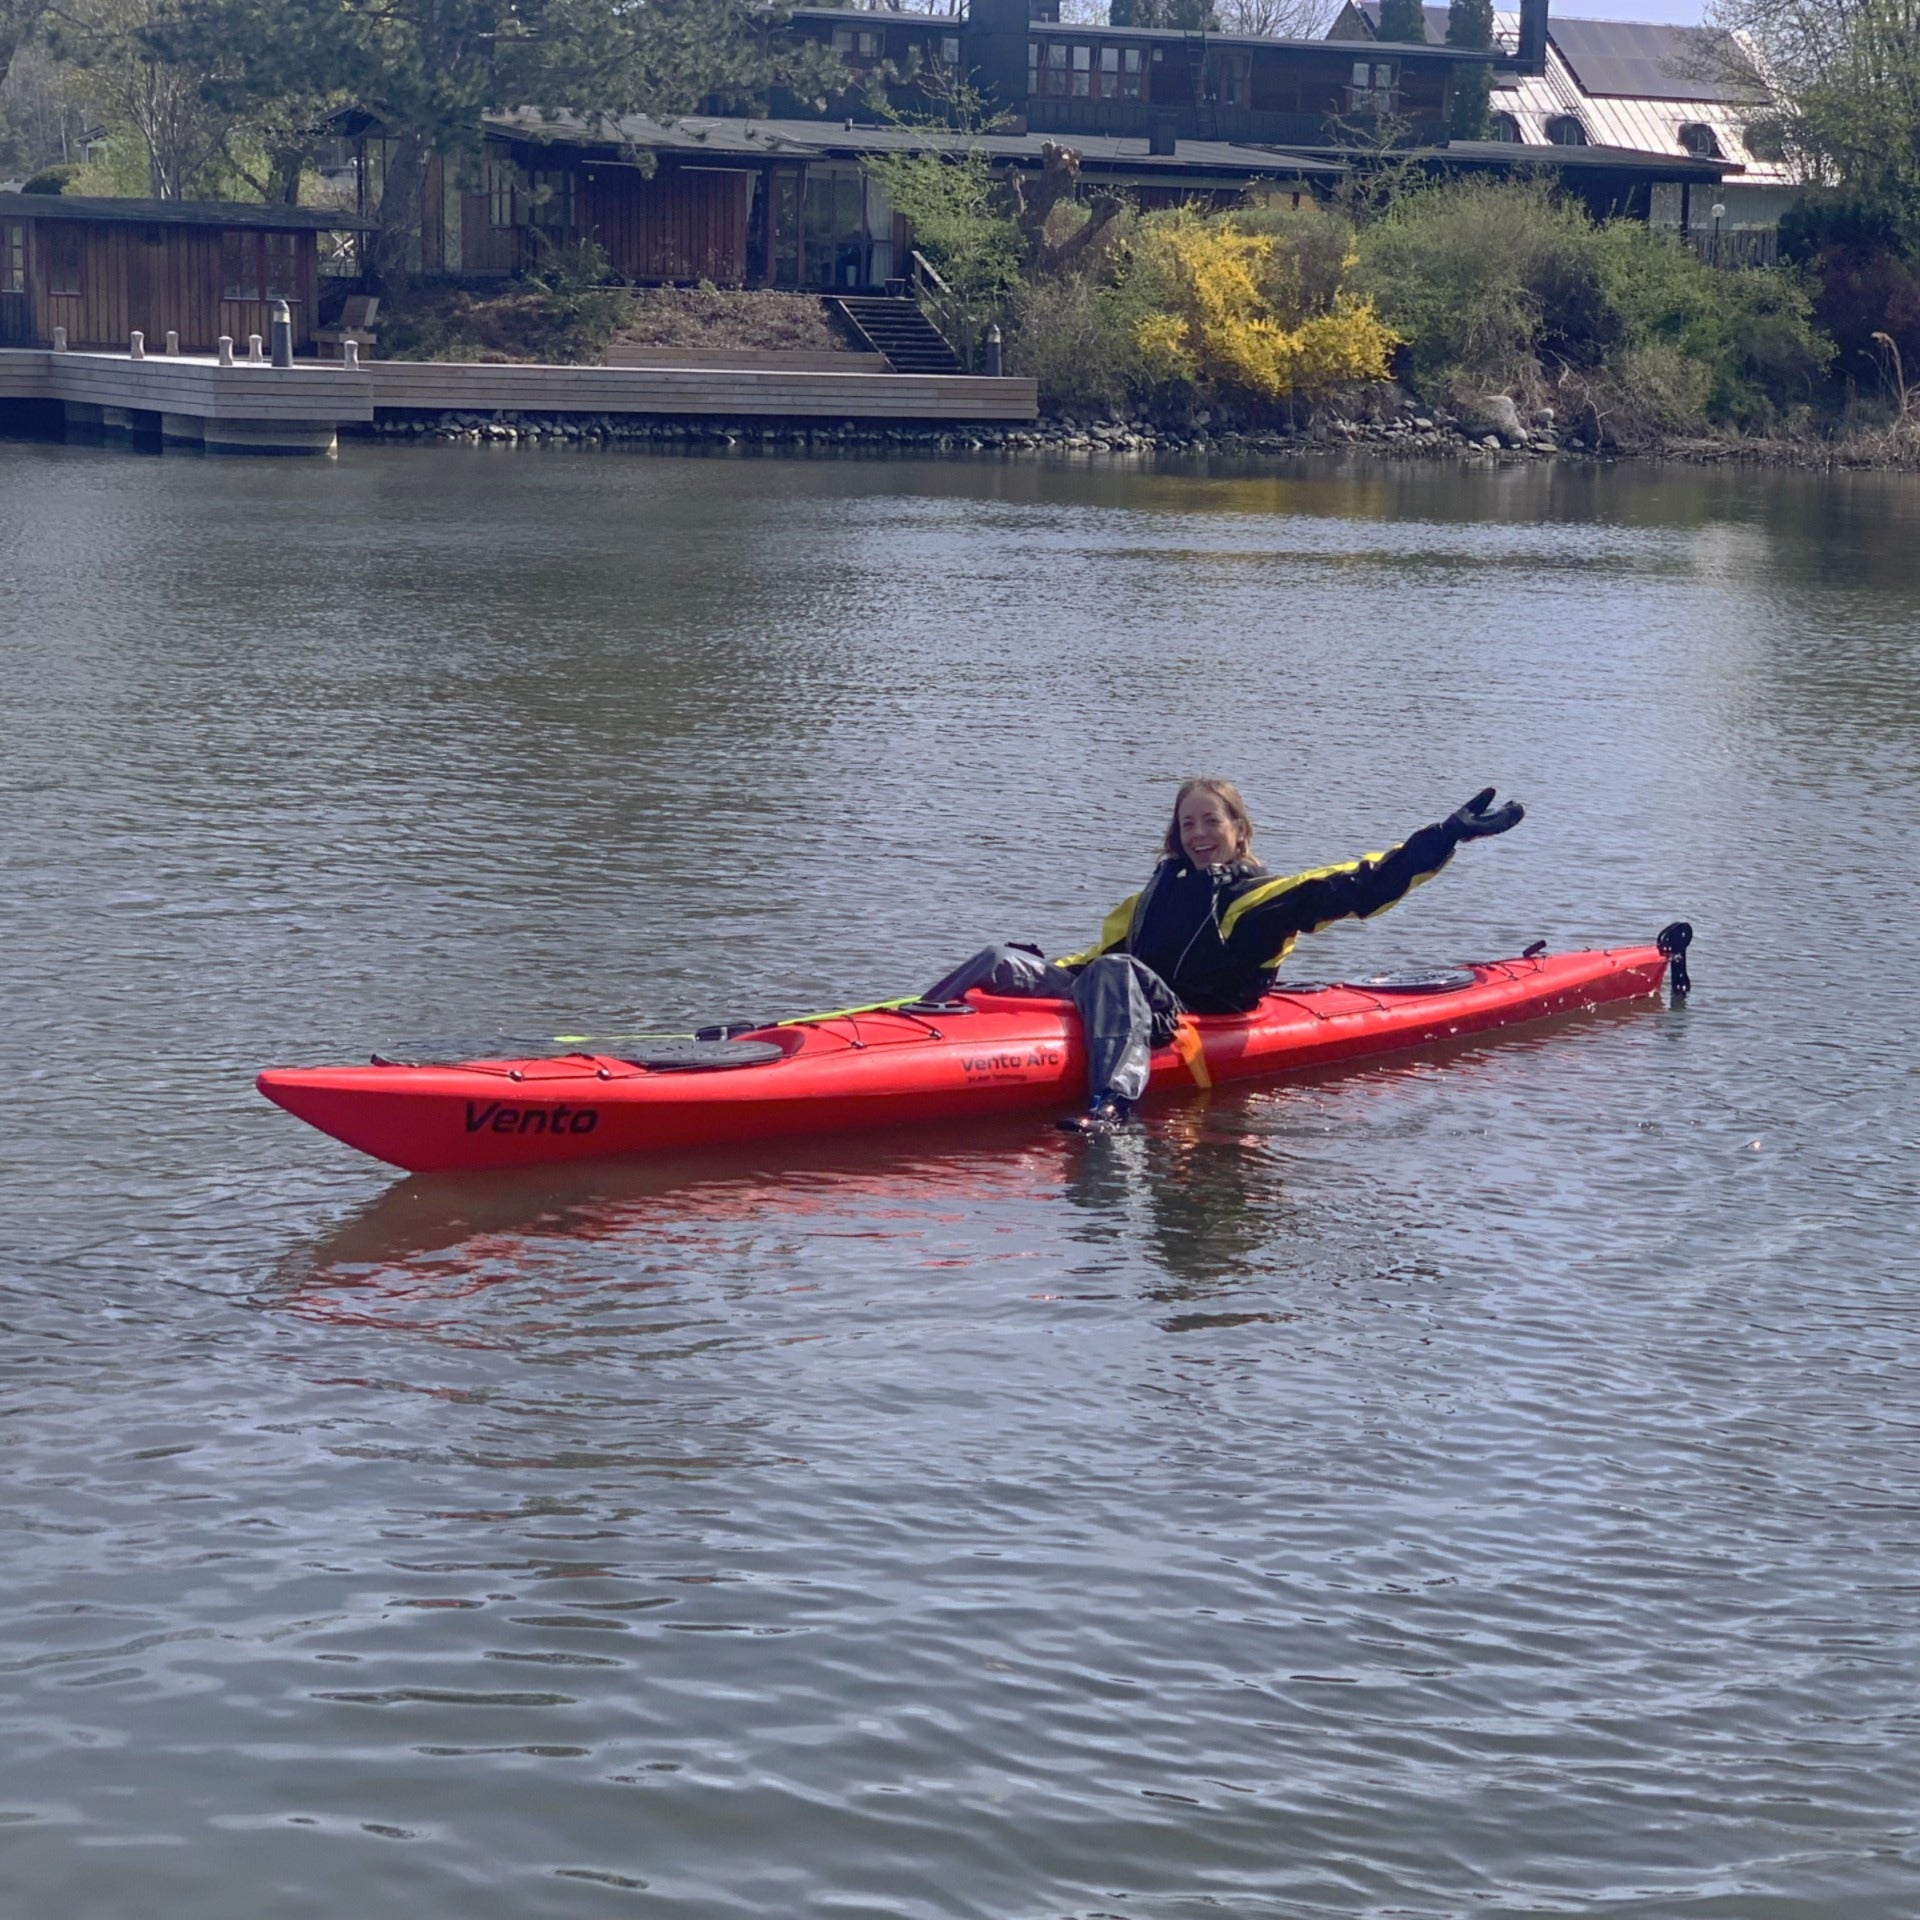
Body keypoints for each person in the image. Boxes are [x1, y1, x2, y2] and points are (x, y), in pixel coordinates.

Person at [923, 780, 1525, 1133]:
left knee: (1114, 972)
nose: (1197, 832)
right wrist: (1051, 978)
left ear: (1239, 829)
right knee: (1003, 958)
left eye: (1211, 820)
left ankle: (1112, 1107)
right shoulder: (1157, 891)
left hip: (1187, 1015)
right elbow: (1104, 951)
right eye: (1188, 823)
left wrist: (1446, 835)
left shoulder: (1260, 898)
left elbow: (1361, 883)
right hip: (1122, 992)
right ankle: (919, 1017)